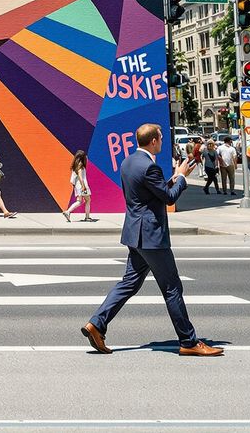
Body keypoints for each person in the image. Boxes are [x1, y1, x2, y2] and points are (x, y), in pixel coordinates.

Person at [81, 123, 221, 357]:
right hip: (152, 237)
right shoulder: (150, 167)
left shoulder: (129, 162)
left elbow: (147, 193)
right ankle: (188, 341)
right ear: (154, 141)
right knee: (172, 288)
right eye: (161, 138)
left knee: (129, 283)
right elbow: (167, 199)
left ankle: (97, 323)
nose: (162, 142)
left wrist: (173, 178)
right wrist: (182, 179)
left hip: (134, 234)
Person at [63, 150, 93, 222]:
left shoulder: (75, 164)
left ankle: (68, 212)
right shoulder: (81, 164)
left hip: (77, 185)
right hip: (82, 185)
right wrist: (83, 186)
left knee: (79, 201)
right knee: (88, 200)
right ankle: (87, 217)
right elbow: (80, 176)